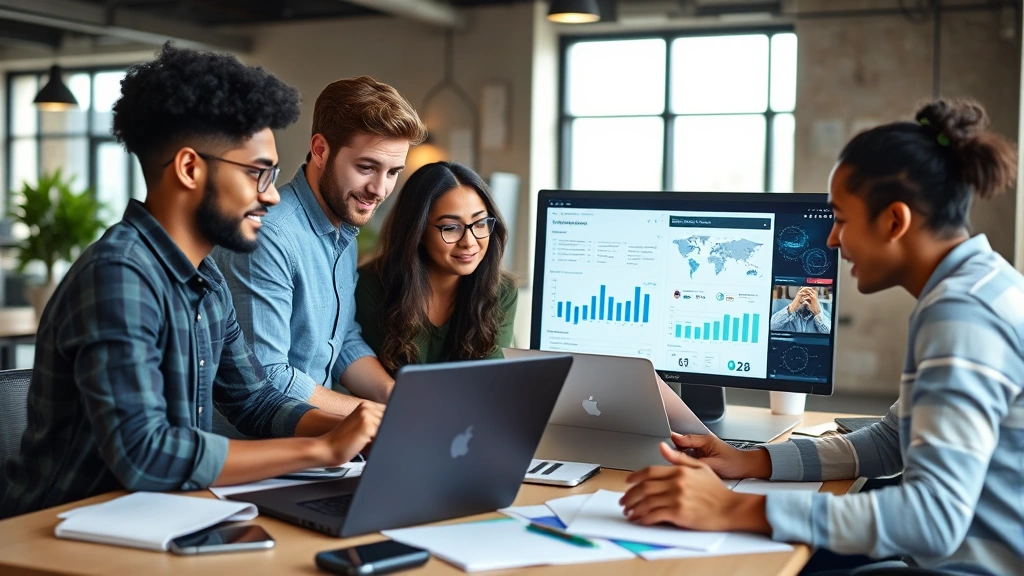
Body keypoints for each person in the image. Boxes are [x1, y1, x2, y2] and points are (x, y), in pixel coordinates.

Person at [620, 98, 1022, 575]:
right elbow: (892, 441)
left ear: (895, 221)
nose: (831, 239)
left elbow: (933, 518)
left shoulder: (961, 314)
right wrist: (750, 462)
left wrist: (733, 509)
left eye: (842, 219)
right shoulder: (983, 284)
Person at [0, 45, 382, 519]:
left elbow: (255, 399)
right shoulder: (118, 276)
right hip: (56, 537)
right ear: (189, 168)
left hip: (154, 520)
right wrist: (321, 450)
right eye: (257, 174)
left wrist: (357, 428)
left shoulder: (206, 281)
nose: (269, 196)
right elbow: (147, 452)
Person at [211, 77, 426, 427]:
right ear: (321, 150)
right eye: (367, 167)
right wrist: (377, 417)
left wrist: (395, 394)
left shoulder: (344, 227)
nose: (379, 189)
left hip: (320, 446)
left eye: (393, 173)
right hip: (255, 458)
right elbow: (268, 376)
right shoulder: (270, 236)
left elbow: (340, 341)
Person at [355, 161, 517, 372]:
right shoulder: (370, 287)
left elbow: (490, 380)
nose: (469, 241)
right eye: (450, 228)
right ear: (419, 231)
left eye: (479, 223)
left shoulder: (501, 291)